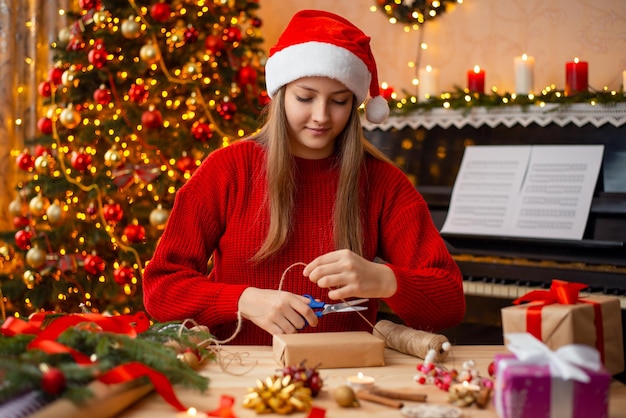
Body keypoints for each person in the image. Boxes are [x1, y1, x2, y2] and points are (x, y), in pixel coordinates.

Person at [143, 9, 465, 345]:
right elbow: (161, 290)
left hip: (350, 379)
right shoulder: (227, 170)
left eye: (339, 101)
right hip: (242, 375)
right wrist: (244, 301)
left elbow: (450, 304)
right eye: (305, 98)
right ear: (281, 94)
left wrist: (385, 280)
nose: (322, 116)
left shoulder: (383, 182)